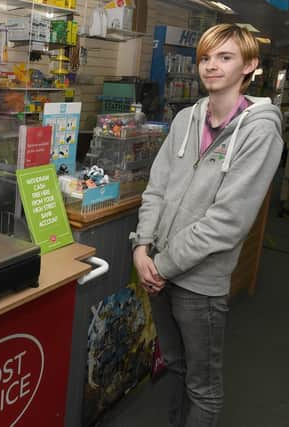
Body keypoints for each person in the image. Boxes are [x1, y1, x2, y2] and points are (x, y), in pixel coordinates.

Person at [130, 24, 283, 427]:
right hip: (158, 271)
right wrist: (142, 246)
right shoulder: (185, 119)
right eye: (205, 58)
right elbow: (156, 189)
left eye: (225, 57)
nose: (211, 66)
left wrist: (160, 266)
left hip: (200, 285)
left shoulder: (260, 130)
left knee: (203, 386)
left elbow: (227, 224)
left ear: (249, 65)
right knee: (175, 368)